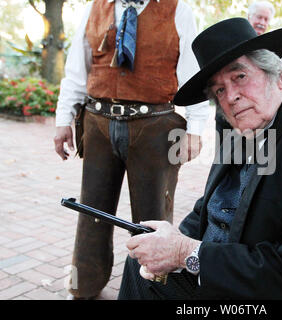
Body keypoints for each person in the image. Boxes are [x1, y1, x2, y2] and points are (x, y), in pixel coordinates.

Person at [117, 18, 282, 300]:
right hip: (232, 276)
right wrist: (166, 243)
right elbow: (211, 207)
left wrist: (184, 253)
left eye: (240, 76)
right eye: (219, 89)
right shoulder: (239, 129)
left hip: (281, 290)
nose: (230, 97)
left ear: (278, 76)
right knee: (140, 265)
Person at [54, 0, 209, 299]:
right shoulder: (94, 7)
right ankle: (84, 286)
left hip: (155, 125)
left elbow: (193, 74)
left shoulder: (178, 10)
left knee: (153, 217)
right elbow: (76, 70)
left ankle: (152, 289)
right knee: (91, 211)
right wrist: (63, 120)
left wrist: (195, 129)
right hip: (97, 122)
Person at [215, 1, 275, 141]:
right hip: (229, 114)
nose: (262, 22)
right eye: (259, 17)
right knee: (226, 156)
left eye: (266, 19)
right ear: (249, 17)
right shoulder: (230, 40)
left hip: (259, 119)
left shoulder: (272, 48)